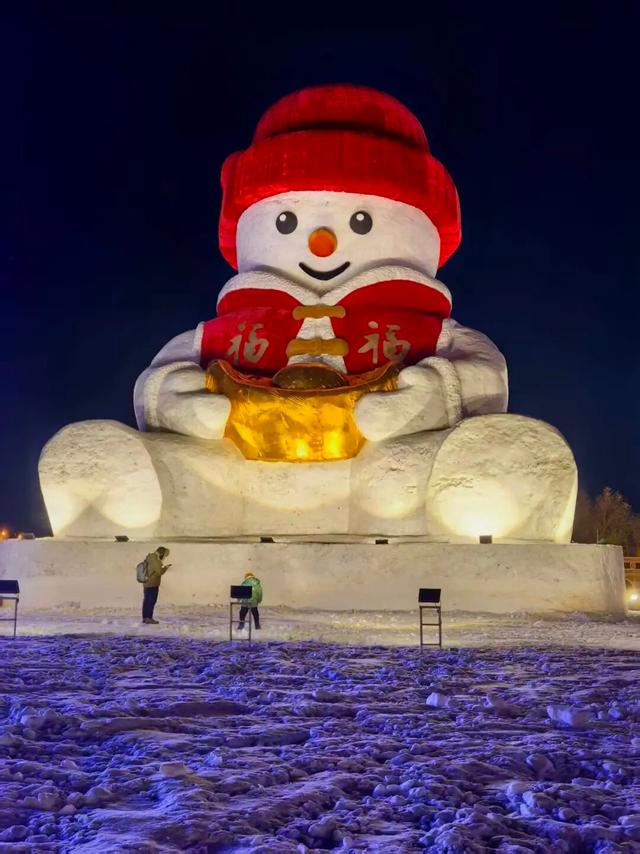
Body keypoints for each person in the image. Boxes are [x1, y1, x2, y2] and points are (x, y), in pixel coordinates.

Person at [141, 546, 171, 624]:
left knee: (146, 601)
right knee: (151, 601)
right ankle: (149, 618)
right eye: (164, 555)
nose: (164, 557)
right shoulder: (155, 559)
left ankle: (145, 618)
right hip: (152, 584)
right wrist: (166, 567)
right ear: (161, 553)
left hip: (147, 583)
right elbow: (160, 571)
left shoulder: (150, 558)